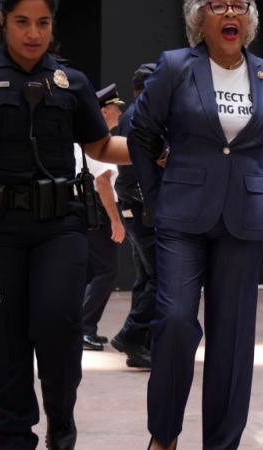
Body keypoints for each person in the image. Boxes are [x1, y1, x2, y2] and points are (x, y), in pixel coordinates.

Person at [0, 0, 130, 448]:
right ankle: (15, 435)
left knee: (58, 324)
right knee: (6, 336)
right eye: (22, 22)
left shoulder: (71, 81)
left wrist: (155, 151)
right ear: (2, 20)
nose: (33, 33)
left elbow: (99, 145)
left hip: (62, 225)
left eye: (43, 22)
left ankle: (61, 422)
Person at [128, 1, 263, 449]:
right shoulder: (176, 67)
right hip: (182, 215)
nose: (229, 12)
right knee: (175, 320)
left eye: (239, 4)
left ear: (248, 18)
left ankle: (222, 443)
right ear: (200, 18)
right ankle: (165, 434)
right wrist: (156, 197)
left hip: (243, 217)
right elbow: (141, 132)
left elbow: (259, 145)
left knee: (233, 340)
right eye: (218, 4)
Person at [110, 63, 159, 369]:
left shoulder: (133, 115)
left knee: (145, 278)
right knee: (163, 277)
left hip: (134, 207)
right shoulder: (142, 116)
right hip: (142, 209)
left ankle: (139, 347)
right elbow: (135, 169)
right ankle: (131, 334)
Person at [76, 84, 127, 351]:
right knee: (107, 270)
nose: (119, 115)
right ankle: (84, 328)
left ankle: (78, 326)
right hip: (95, 208)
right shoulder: (100, 141)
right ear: (104, 112)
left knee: (88, 272)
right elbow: (103, 183)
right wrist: (116, 221)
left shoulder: (81, 137)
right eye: (116, 110)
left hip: (80, 208)